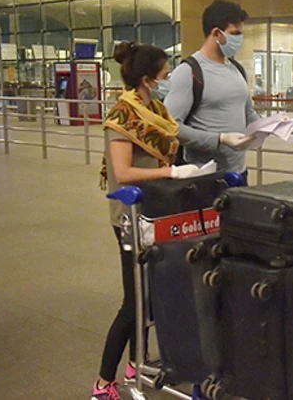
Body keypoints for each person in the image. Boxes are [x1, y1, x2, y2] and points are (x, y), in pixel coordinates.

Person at [94, 42, 199, 400]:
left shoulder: (155, 110)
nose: (167, 79)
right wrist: (170, 172)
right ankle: (103, 383)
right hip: (131, 217)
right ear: (146, 79)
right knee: (134, 303)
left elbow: (170, 143)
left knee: (150, 298)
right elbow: (122, 172)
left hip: (156, 211)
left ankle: (134, 363)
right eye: (164, 74)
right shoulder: (122, 117)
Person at [164, 0, 260, 184]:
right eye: (235, 33)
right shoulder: (189, 72)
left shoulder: (237, 69)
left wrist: (268, 126)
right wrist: (220, 139)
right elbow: (171, 126)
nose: (239, 40)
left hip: (239, 173)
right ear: (216, 33)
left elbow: (248, 112)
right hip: (205, 176)